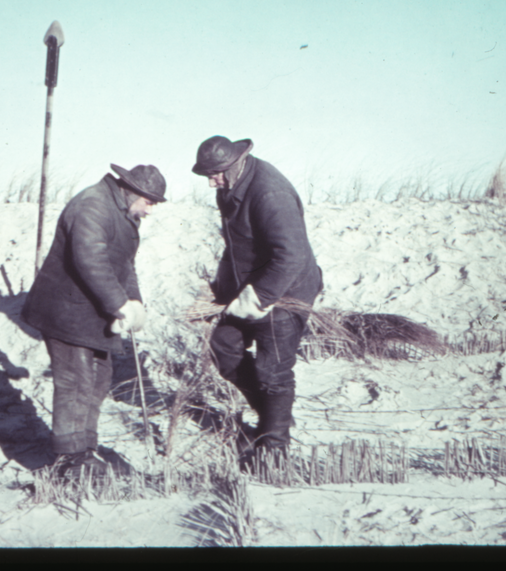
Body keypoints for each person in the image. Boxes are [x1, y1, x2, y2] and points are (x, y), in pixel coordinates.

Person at [22, 163, 166, 478]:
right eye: (149, 201)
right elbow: (90, 259)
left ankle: (85, 449)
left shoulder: (124, 213)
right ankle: (69, 461)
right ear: (131, 189)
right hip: (65, 310)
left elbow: (125, 265)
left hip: (90, 311)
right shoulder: (93, 204)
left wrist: (134, 303)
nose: (150, 210)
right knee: (76, 380)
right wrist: (118, 303)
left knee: (100, 377)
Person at [192, 136, 322, 469]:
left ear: (237, 162)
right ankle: (273, 416)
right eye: (207, 174)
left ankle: (274, 447)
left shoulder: (269, 193)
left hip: (286, 291)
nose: (211, 182)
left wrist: (259, 298)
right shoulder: (232, 184)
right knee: (224, 347)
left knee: (273, 369)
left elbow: (291, 256)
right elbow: (236, 247)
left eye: (216, 173)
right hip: (247, 288)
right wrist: (221, 292)